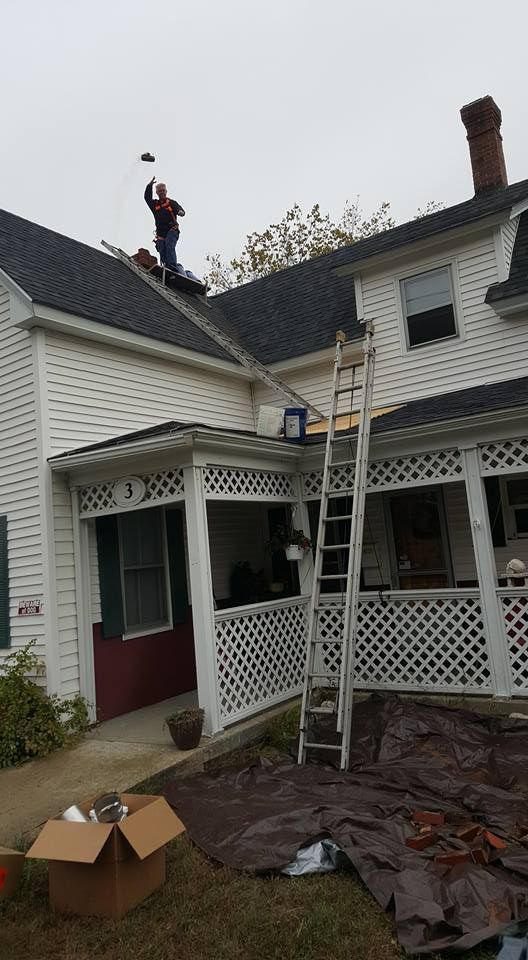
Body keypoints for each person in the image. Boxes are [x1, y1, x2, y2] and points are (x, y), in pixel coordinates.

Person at [144, 177, 185, 270]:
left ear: (166, 191)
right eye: (159, 191)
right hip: (161, 233)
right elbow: (147, 198)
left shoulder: (171, 203)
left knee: (169, 245)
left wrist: (180, 212)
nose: (161, 192)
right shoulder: (155, 205)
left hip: (172, 230)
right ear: (157, 193)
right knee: (162, 249)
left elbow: (180, 210)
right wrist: (149, 186)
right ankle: (166, 267)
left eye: (163, 190)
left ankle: (172, 267)